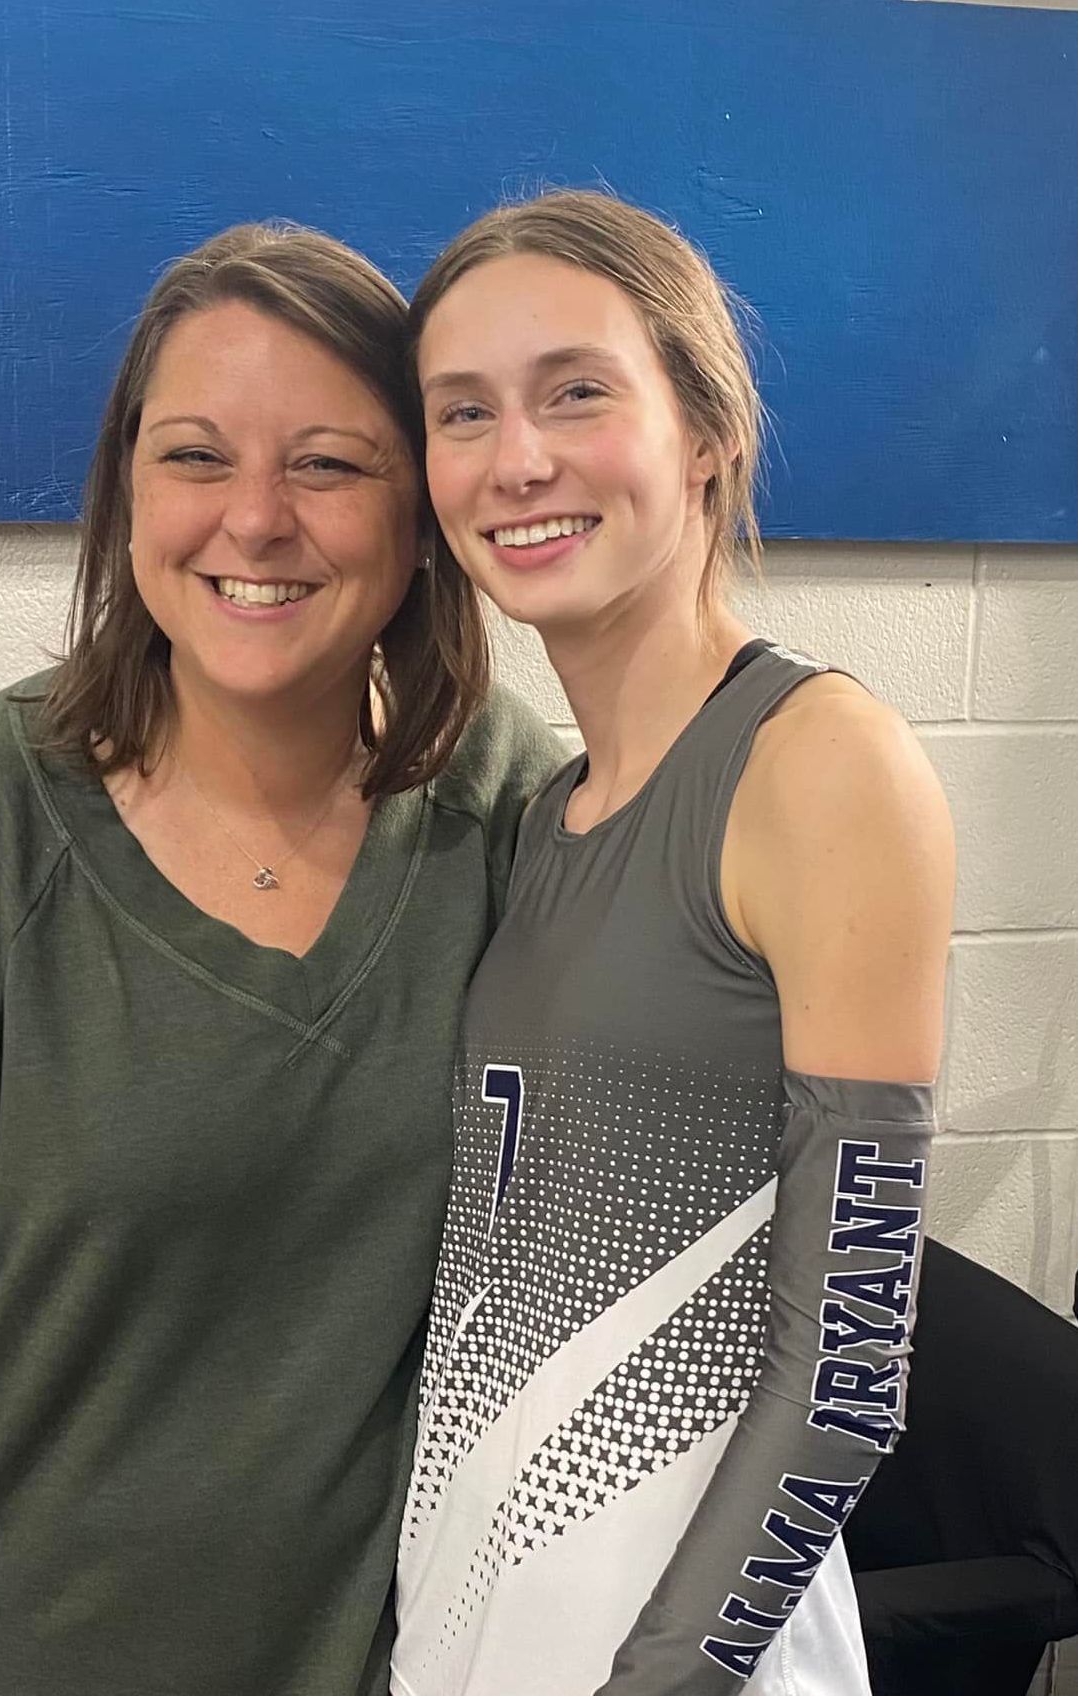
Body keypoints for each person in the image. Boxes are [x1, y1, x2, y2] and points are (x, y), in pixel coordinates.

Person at [0, 222, 562, 1696]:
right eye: (193, 456)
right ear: (124, 490)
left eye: (326, 463)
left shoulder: (504, 809)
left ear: (421, 513)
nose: (253, 521)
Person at [391, 190, 955, 1695]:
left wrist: (664, 1678)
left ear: (699, 429)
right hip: (476, 1599)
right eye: (462, 413)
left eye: (576, 390)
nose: (517, 459)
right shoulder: (535, 812)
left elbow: (845, 1375)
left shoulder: (819, 766)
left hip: (697, 1645)